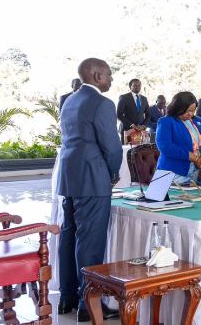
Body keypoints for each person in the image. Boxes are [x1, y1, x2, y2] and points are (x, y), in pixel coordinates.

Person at [56, 58, 122, 322]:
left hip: (69, 176)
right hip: (92, 178)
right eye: (108, 75)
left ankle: (67, 297)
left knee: (68, 236)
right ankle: (89, 304)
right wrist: (113, 174)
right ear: (96, 76)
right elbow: (112, 146)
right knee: (90, 241)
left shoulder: (69, 100)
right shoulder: (103, 103)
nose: (111, 80)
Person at [156, 92, 201, 186]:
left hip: (199, 173)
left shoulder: (198, 121)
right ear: (178, 107)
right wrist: (195, 158)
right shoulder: (165, 122)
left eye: (193, 111)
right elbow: (166, 147)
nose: (190, 114)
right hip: (175, 174)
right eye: (188, 111)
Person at [116, 78, 151, 143]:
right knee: (127, 151)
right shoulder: (124, 98)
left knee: (141, 151)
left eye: (139, 85)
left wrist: (143, 126)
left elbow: (148, 114)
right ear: (130, 86)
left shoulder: (144, 99)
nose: (137, 87)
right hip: (127, 130)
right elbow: (119, 114)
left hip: (141, 131)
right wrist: (132, 125)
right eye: (135, 85)